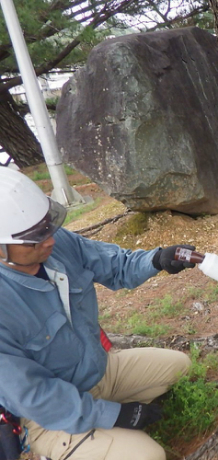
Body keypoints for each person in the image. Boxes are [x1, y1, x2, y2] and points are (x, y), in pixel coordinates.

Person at [0, 167, 196, 460]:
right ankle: (59, 448)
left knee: (178, 366)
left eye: (48, 225)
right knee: (147, 456)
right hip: (50, 414)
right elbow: (36, 397)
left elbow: (114, 264)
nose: (49, 240)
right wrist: (116, 415)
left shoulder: (57, 244)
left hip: (99, 372)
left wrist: (157, 259)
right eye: (34, 238)